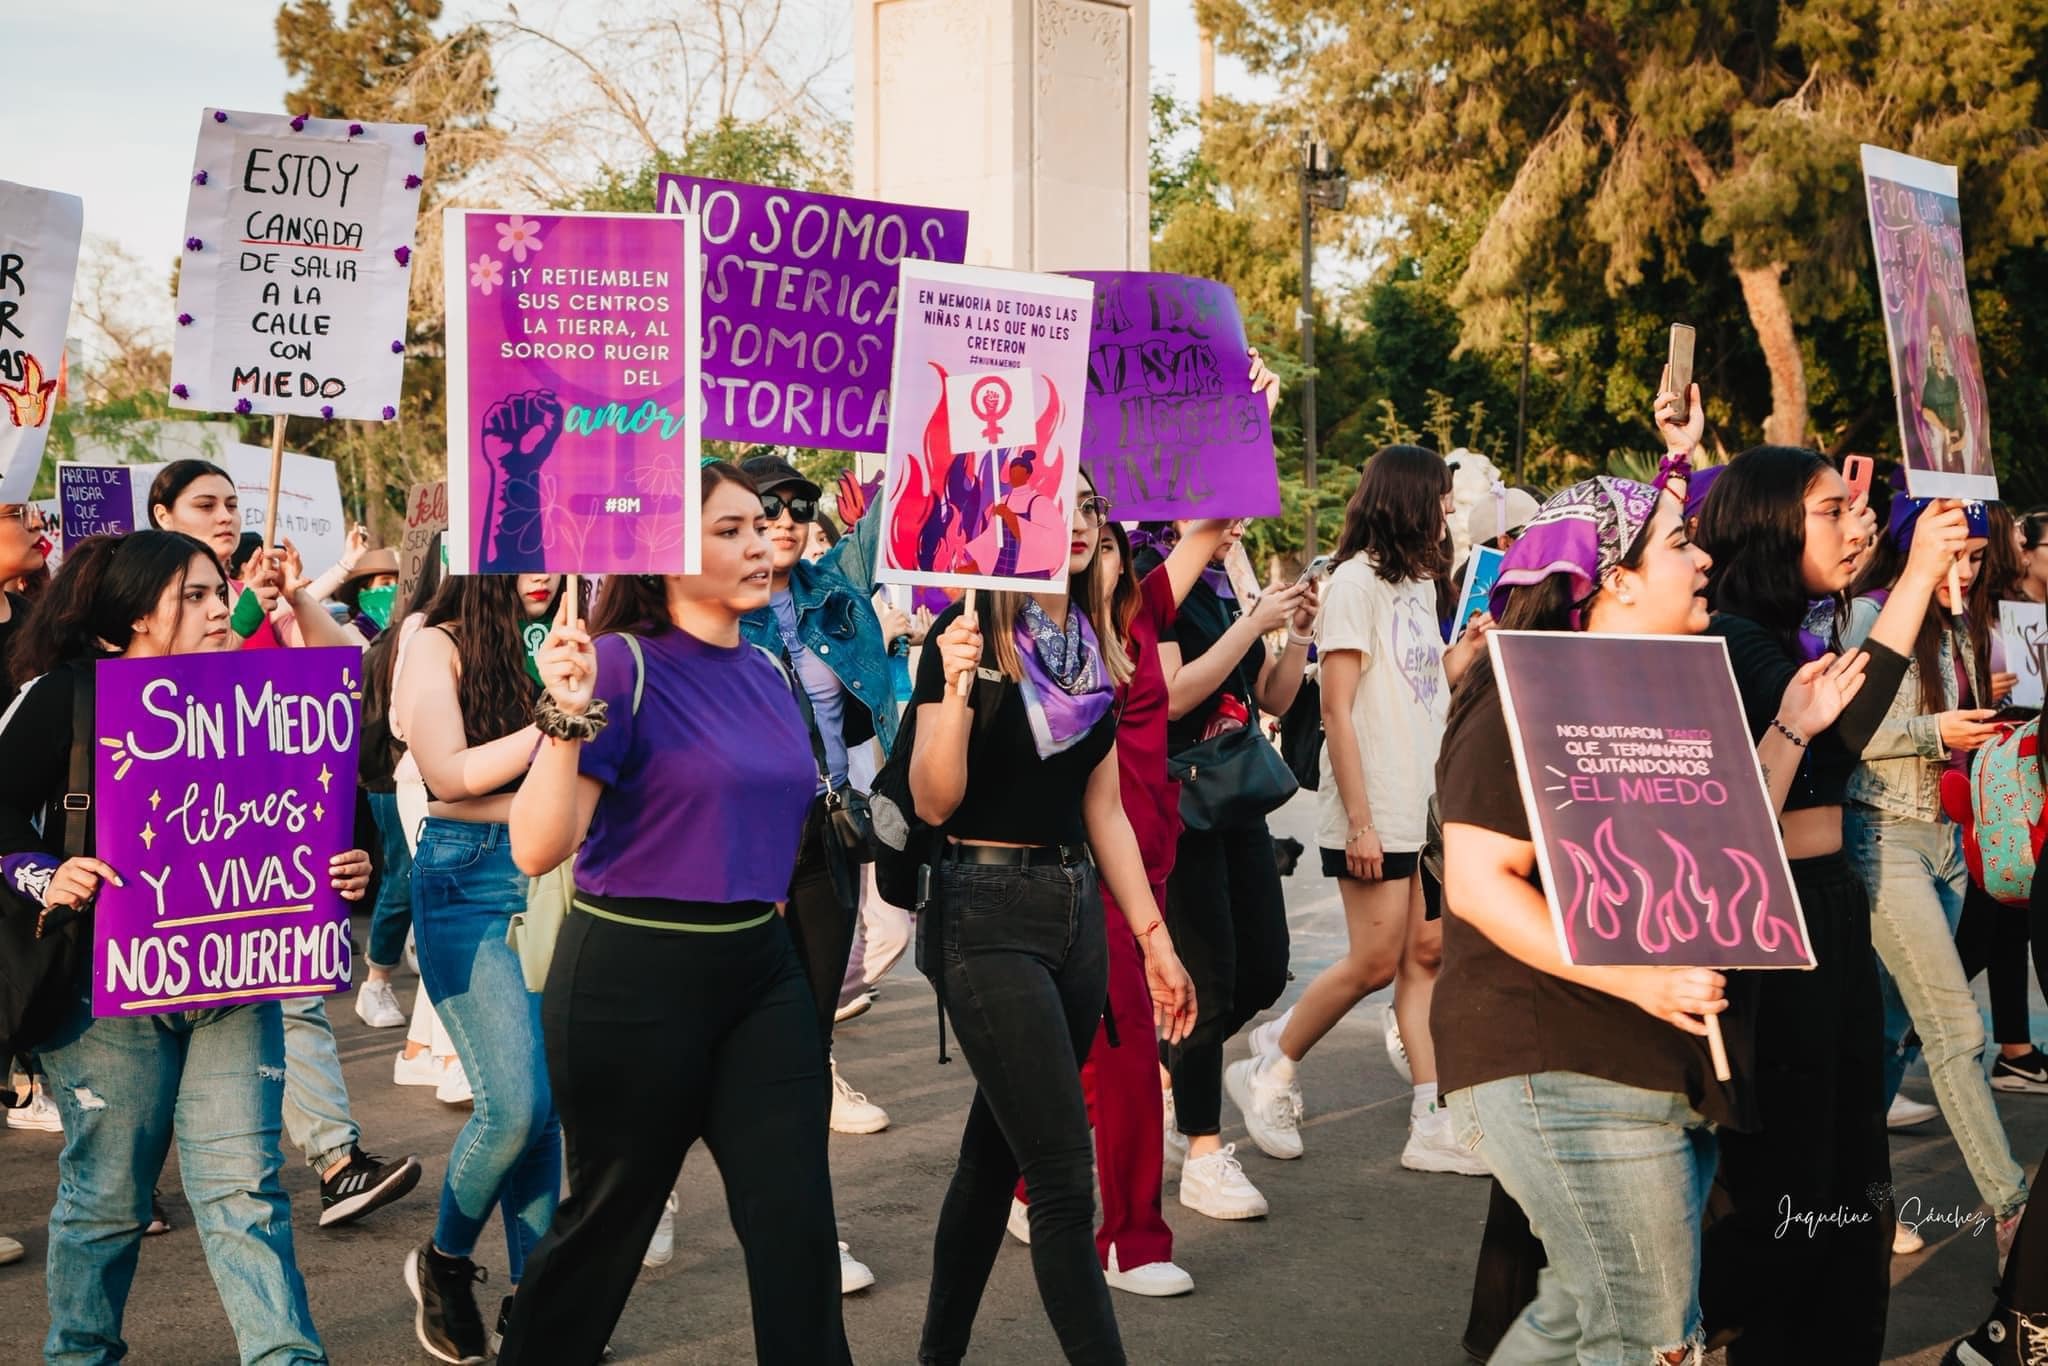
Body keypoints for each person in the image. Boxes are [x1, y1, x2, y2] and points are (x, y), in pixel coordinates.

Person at [1434, 428, 1868, 1358]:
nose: (1704, 554)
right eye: (1679, 541)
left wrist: (1790, 729)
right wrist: (1641, 979)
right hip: (1561, 1056)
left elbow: (1729, 839)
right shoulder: (1516, 684)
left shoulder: (1681, 684)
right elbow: (1476, 884)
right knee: (1652, 1339)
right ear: (1616, 578)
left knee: (1576, 1314)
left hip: (1664, 1060)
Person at [497, 461, 849, 1364]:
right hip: (633, 975)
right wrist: (563, 717)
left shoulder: (771, 668)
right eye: (729, 529)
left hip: (760, 971)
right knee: (608, 1226)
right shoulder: (617, 665)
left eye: (762, 525)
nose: (763, 543)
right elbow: (537, 849)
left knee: (797, 1222)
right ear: (659, 551)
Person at [0, 529, 375, 1364]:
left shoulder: (266, 695)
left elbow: (331, 815)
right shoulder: (68, 696)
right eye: (196, 597)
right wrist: (42, 873)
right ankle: (78, 1354)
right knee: (106, 1201)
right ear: (123, 622)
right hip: (108, 1000)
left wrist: (355, 867)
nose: (219, 611)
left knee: (248, 1194)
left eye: (220, 592)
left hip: (234, 988)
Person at [909, 480, 1197, 1364]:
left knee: (992, 1162)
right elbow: (933, 801)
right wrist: (954, 687)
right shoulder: (965, 633)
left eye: (1088, 506)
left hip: (1072, 915)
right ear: (1004, 521)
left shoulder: (1088, 643)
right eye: (1051, 500)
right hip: (983, 915)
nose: (1074, 522)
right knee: (1066, 1182)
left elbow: (1103, 807)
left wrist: (1155, 941)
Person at [1694, 446, 1954, 1359]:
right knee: (1798, 1173)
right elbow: (1842, 731)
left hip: (1831, 903)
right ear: (1768, 525)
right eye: (1830, 511)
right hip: (1779, 919)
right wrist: (1917, 576)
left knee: (1854, 1164)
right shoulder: (1733, 637)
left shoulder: (1795, 627)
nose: (1857, 528)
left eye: (1858, 510)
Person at [148, 460, 421, 1225]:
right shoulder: (142, 592)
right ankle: (124, 1179)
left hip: (268, 820)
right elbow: (173, 694)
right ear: (162, 514)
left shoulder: (261, 592)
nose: (227, 513)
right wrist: (235, 619)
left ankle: (337, 1161)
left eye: (234, 502)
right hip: (179, 826)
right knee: (159, 1023)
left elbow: (344, 674)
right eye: (206, 503)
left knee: (292, 990)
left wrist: (296, 598)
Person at [1232, 445, 1490, 1175]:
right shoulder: (1354, 584)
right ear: (1408, 500)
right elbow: (1339, 713)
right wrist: (1365, 823)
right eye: (1440, 498)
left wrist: (1462, 654)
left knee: (1418, 963)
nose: (1448, 510)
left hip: (1418, 801)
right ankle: (1271, 1065)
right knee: (1376, 962)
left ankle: (1429, 1121)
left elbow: (1415, 691)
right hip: (1371, 805)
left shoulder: (1416, 585)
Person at [1839, 495, 2031, 1254]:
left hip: (1949, 839)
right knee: (1959, 1030)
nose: (1966, 568)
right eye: (1953, 550)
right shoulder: (1870, 617)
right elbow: (1843, 733)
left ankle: (1858, 1198)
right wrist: (1933, 729)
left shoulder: (1962, 628)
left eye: (1978, 555)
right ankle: (2013, 1212)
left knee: (1895, 1036)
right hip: (1882, 834)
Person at [393, 570, 565, 1364]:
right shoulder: (437, 639)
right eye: (525, 548)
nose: (544, 569)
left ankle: (537, 1302)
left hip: (565, 871)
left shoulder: (572, 632)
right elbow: (446, 780)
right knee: (514, 1103)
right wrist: (557, 725)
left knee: (547, 1108)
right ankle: (446, 1260)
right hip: (470, 882)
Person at [1135, 520, 1313, 1220]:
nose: (1237, 521)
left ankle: (1163, 1067)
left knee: (1264, 972)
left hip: (1237, 790)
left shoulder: (1225, 575)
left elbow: (1270, 698)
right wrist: (1252, 623)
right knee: (1203, 986)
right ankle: (1203, 1151)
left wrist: (1294, 629)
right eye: (1219, 506)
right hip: (1179, 799)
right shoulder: (1155, 578)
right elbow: (1173, 694)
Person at [352, 538, 444, 1032]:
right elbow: (401, 721)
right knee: (404, 876)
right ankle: (376, 981)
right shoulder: (413, 630)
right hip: (395, 776)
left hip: (424, 776)